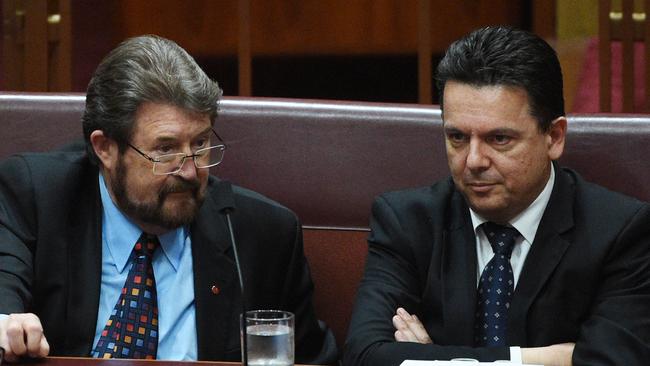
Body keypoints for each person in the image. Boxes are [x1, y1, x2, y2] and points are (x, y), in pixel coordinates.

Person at [0, 35, 337, 364]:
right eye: (165, 150)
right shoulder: (37, 197)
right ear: (105, 148)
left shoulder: (262, 234)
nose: (190, 171)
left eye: (201, 144)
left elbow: (314, 360)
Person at [343, 26, 650, 366]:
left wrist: (431, 359)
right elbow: (365, 355)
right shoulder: (406, 220)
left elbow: (615, 361)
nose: (473, 161)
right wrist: (549, 359)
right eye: (457, 137)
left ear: (554, 136)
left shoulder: (621, 232)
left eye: (499, 139)